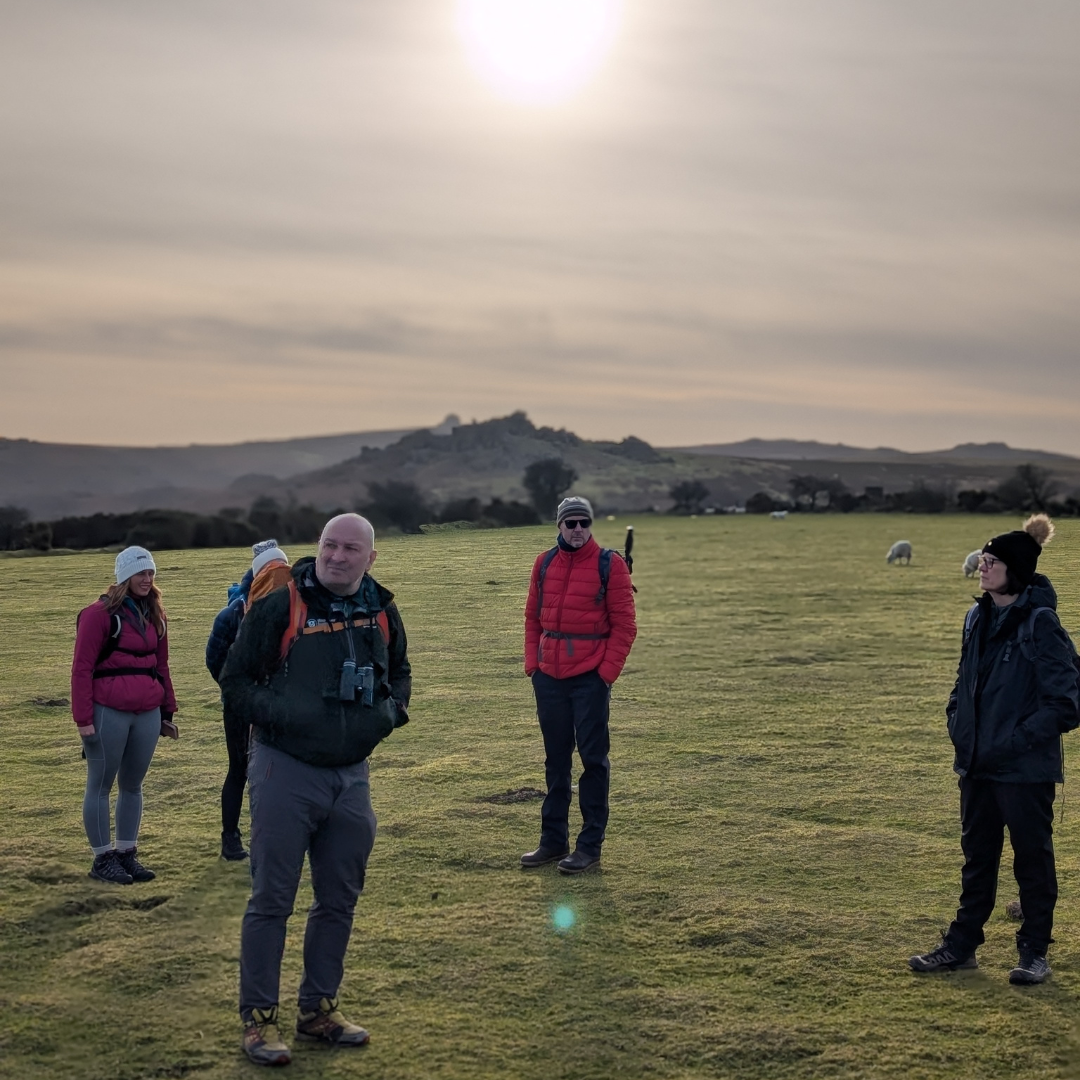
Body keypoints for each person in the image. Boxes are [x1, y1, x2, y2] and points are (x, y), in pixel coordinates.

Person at [220, 513, 411, 1066]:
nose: (336, 556)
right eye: (330, 544)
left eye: (351, 548)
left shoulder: (381, 609)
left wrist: (387, 715)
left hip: (352, 776)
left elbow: (400, 672)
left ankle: (318, 1010)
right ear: (318, 547)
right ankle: (258, 1021)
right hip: (285, 769)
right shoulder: (280, 607)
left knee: (338, 899)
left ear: (369, 559)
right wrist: (286, 715)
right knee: (272, 900)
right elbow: (233, 680)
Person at [910, 514, 1079, 984]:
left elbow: (1066, 703)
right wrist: (957, 724)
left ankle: (1033, 953)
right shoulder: (976, 615)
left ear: (1015, 570)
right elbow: (964, 682)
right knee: (977, 858)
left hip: (1024, 770)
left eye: (991, 562)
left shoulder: (1041, 623)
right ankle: (961, 948)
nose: (981, 569)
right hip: (977, 765)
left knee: (1033, 860)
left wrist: (1011, 743)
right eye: (981, 560)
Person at [521, 496, 637, 875]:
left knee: (592, 761)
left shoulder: (611, 565)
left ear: (591, 524)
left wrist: (605, 675)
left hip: (590, 678)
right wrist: (532, 665)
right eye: (570, 523)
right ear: (558, 525)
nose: (577, 530)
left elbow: (625, 626)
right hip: (548, 678)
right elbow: (532, 618)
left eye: (583, 522)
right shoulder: (544, 563)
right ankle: (553, 842)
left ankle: (589, 847)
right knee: (555, 762)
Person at [71, 546, 178, 885]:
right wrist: (83, 719)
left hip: (146, 712)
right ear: (124, 576)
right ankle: (103, 858)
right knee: (100, 786)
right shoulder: (97, 615)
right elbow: (81, 669)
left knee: (133, 786)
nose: (147, 579)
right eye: (140, 573)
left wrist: (167, 711)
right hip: (108, 713)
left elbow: (161, 666)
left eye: (151, 574)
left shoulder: (156, 614)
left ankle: (127, 854)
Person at [206, 539, 293, 861]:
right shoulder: (233, 614)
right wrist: (238, 691)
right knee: (240, 768)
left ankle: (272, 837)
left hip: (276, 702)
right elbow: (214, 658)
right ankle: (231, 839)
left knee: (276, 768)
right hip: (242, 704)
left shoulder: (292, 608)